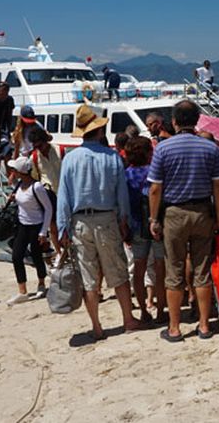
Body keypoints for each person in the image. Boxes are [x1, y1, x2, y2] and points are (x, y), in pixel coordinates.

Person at [57, 105, 144, 340]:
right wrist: (124, 219)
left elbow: (63, 196)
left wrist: (62, 226)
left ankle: (97, 326)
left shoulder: (70, 159)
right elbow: (121, 194)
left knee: (89, 276)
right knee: (117, 270)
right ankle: (128, 319)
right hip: (106, 218)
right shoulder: (112, 157)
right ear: (98, 131)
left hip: (79, 221)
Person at [148, 100, 219, 342]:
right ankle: (203, 325)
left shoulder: (163, 149)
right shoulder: (210, 149)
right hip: (203, 210)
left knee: (175, 271)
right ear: (197, 120)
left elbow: (155, 189)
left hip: (174, 213)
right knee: (202, 271)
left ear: (173, 121)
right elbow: (218, 188)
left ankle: (174, 327)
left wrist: (153, 219)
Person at [124, 136, 167, 323]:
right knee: (160, 269)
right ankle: (161, 311)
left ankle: (143, 310)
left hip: (136, 226)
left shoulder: (125, 175)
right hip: (157, 225)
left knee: (139, 270)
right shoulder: (155, 173)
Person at [6, 156, 53, 306]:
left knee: (36, 255)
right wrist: (13, 199)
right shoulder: (19, 185)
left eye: (14, 170)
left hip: (36, 226)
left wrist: (43, 232)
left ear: (20, 171)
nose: (12, 171)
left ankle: (41, 284)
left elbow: (48, 209)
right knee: (16, 256)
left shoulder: (37, 187)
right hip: (22, 224)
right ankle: (22, 291)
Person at [29, 125, 63, 256]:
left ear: (46, 142)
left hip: (63, 194)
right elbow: (35, 178)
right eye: (36, 147)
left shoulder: (60, 150)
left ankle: (68, 251)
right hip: (48, 195)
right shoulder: (34, 158)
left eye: (40, 146)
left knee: (67, 225)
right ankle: (60, 253)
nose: (39, 149)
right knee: (53, 226)